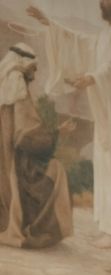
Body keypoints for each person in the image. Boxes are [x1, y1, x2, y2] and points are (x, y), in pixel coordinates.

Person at [27, 0, 111, 248]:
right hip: (105, 114)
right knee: (107, 167)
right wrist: (50, 24)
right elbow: (82, 42)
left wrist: (92, 77)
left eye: (105, 1)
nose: (100, 6)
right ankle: (110, 227)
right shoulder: (105, 34)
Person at [0, 42, 73, 248]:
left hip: (6, 164)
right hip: (17, 167)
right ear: (23, 67)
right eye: (33, 68)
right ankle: (36, 229)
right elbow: (27, 137)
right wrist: (58, 131)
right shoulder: (19, 93)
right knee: (56, 171)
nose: (35, 73)